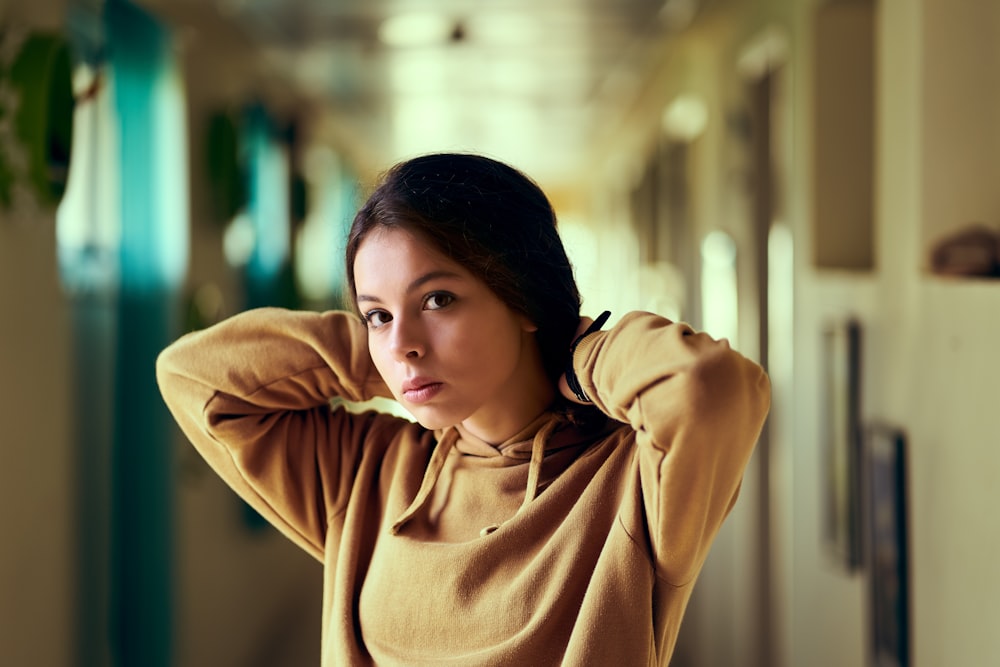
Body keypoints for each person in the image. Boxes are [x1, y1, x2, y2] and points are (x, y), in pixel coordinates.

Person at [156, 152, 771, 666]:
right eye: (378, 313)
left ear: (523, 297)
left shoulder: (630, 481)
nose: (402, 341)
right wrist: (390, 364)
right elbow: (195, 377)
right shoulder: (365, 473)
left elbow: (708, 387)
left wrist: (577, 354)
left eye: (439, 298)